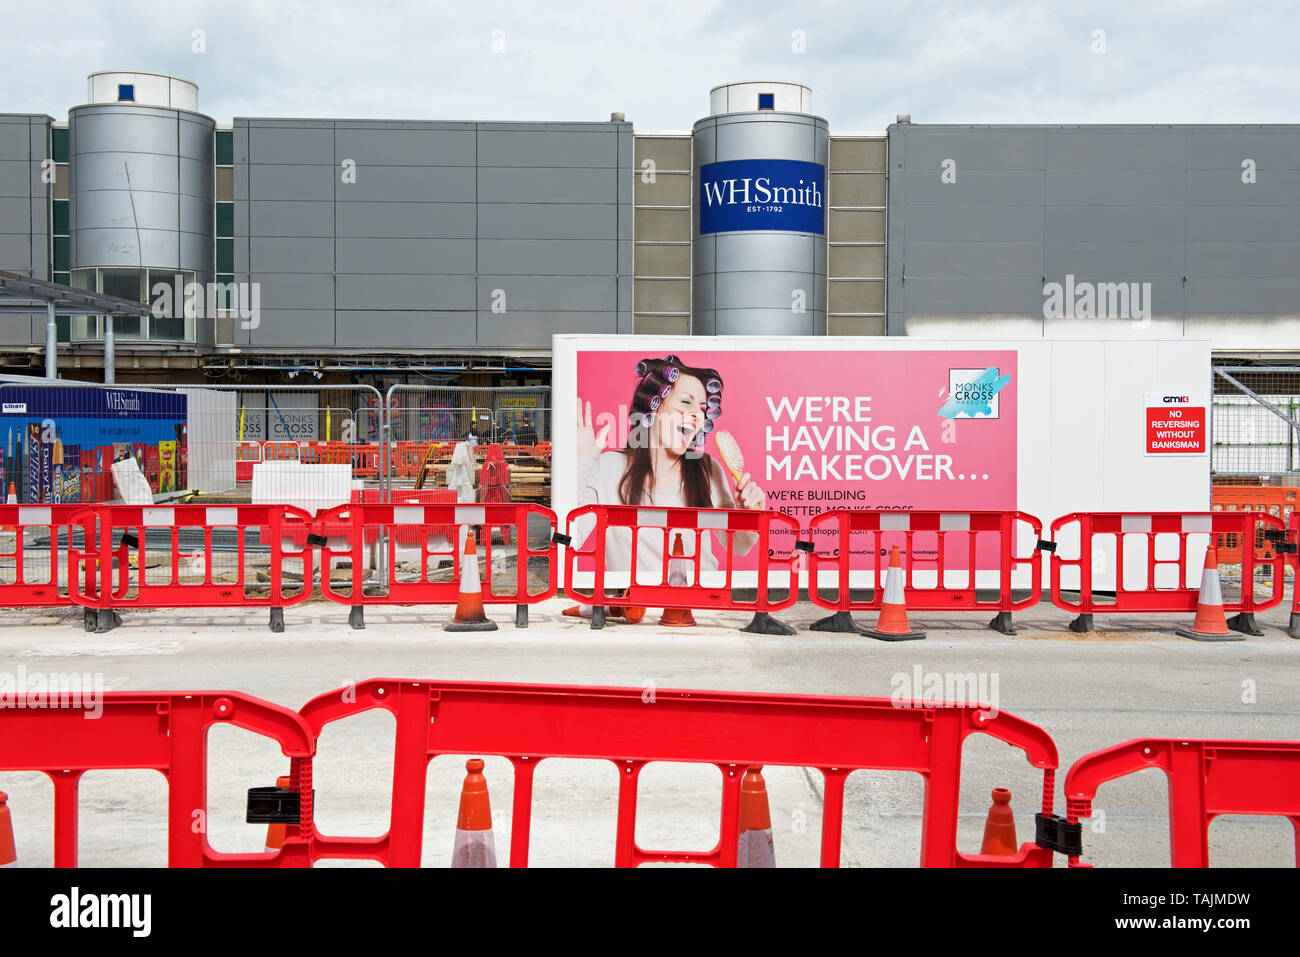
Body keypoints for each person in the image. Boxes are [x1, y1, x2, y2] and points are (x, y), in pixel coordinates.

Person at [569, 356, 766, 614]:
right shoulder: (609, 468)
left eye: (702, 409)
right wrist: (582, 461)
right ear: (654, 408)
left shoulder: (707, 470)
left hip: (702, 613)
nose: (697, 415)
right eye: (686, 402)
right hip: (635, 615)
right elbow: (569, 539)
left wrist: (748, 513)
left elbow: (740, 545)